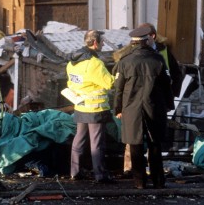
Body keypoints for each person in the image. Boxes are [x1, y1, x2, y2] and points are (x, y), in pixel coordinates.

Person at [118, 23, 184, 175]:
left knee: (153, 140)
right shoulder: (130, 53)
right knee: (134, 140)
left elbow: (175, 75)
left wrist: (171, 98)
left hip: (156, 102)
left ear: (151, 37)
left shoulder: (163, 53)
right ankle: (131, 169)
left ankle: (148, 174)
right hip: (135, 103)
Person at [66, 30, 115, 183]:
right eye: (102, 42)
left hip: (80, 106)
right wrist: (118, 76)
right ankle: (101, 175)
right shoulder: (95, 63)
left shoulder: (72, 62)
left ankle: (75, 171)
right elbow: (110, 83)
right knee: (97, 143)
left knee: (79, 139)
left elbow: (71, 83)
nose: (102, 45)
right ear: (95, 43)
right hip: (95, 109)